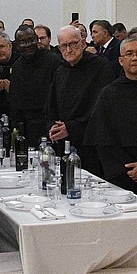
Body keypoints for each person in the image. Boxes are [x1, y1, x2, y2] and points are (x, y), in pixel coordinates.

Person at [83, 36, 137, 198]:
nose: (135, 58)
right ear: (120, 60)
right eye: (129, 54)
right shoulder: (108, 94)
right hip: (118, 178)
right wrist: (125, 169)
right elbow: (101, 138)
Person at [47, 25, 116, 171]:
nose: (68, 50)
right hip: (63, 143)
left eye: (73, 44)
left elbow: (101, 110)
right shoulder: (61, 70)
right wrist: (53, 125)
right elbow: (52, 105)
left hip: (90, 146)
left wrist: (71, 128)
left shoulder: (100, 67)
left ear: (83, 43)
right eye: (64, 46)